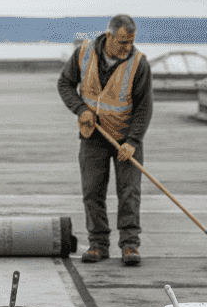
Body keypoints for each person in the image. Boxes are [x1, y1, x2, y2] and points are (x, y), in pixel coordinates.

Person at [57, 14, 153, 266]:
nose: (127, 47)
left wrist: (132, 142)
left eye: (131, 42)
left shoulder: (139, 63)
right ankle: (98, 244)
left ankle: (130, 245)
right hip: (94, 135)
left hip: (126, 138)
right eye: (122, 42)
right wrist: (81, 110)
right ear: (109, 36)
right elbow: (65, 83)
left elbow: (144, 107)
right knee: (92, 192)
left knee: (129, 192)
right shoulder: (84, 53)